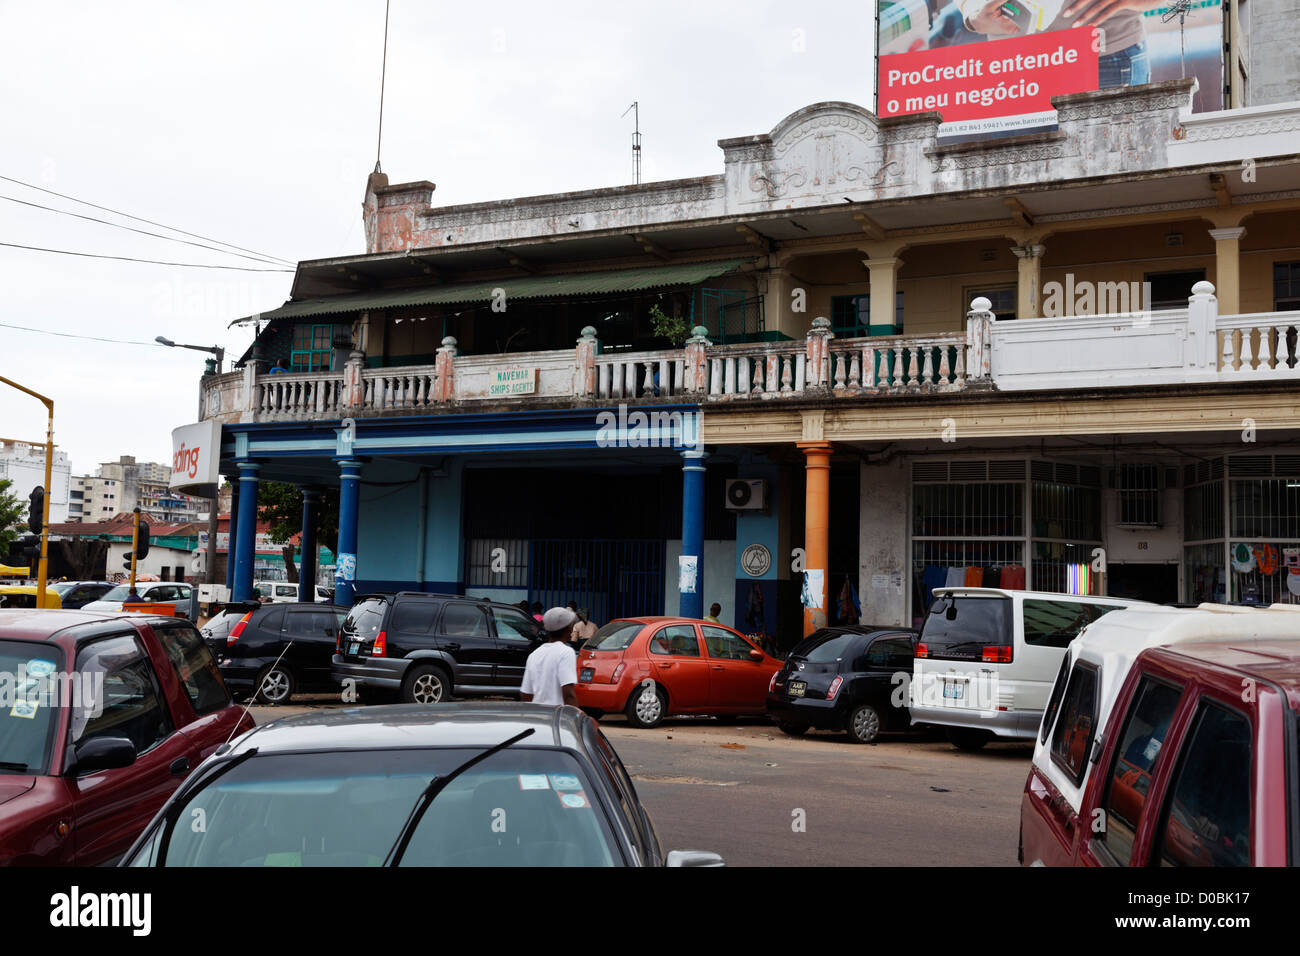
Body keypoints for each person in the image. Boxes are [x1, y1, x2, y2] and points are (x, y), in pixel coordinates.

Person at [519, 606, 579, 706]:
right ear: (568, 629)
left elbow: (525, 694)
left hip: (538, 716)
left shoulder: (534, 654)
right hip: (556, 717)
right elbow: (568, 695)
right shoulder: (566, 652)